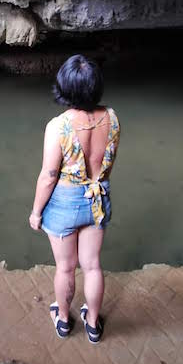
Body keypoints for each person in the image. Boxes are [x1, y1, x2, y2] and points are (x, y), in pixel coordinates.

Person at [29, 54, 120, 344]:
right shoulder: (113, 118)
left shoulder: (58, 126)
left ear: (64, 88)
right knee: (92, 265)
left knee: (66, 267)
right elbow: (107, 162)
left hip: (66, 203)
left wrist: (36, 212)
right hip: (97, 198)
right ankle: (93, 324)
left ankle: (64, 320)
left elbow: (49, 175)